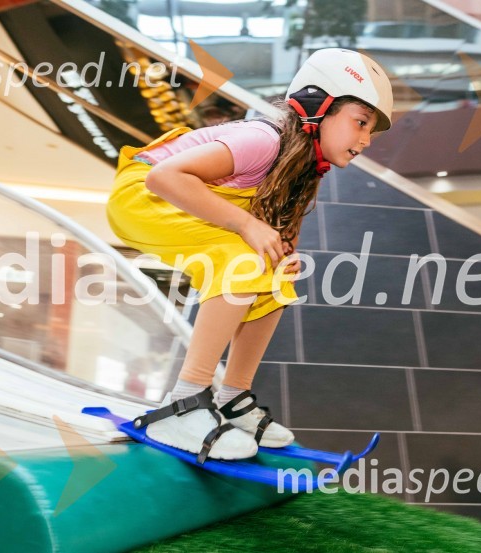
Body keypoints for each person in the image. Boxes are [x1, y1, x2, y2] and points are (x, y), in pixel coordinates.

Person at [106, 48, 393, 463]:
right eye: (360, 122)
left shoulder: (304, 167)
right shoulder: (263, 139)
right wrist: (245, 226)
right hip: (142, 196)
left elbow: (277, 234)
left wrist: (282, 257)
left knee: (277, 278)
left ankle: (232, 398)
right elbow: (163, 176)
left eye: (371, 132)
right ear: (318, 107)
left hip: (177, 200)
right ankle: (184, 402)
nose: (365, 140)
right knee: (242, 258)